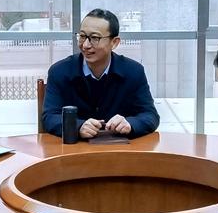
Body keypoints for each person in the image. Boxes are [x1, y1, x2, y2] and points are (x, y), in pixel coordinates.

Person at [42, 9, 159, 139]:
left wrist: (130, 124)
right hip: (75, 148)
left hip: (120, 148)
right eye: (82, 36)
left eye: (94, 38)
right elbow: (49, 117)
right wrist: (78, 126)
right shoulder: (59, 71)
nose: (85, 45)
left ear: (114, 42)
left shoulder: (133, 71)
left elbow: (150, 115)